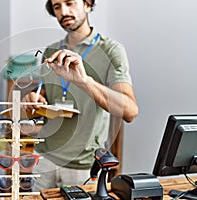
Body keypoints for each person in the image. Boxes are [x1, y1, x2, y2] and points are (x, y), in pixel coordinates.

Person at [22, 0, 139, 191]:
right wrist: (35, 100)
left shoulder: (111, 50)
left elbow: (130, 111)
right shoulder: (51, 52)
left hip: (83, 166)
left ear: (87, 4)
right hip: (44, 157)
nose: (63, 11)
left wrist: (84, 81)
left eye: (69, 3)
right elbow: (44, 95)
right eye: (57, 6)